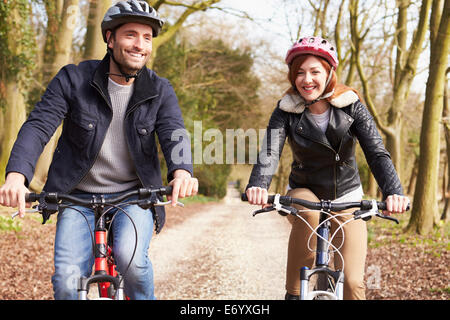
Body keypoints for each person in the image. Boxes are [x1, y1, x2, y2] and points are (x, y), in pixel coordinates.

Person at [0, 0, 197, 300]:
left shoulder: (160, 89)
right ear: (110, 38)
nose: (140, 45)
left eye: (147, 38)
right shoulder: (73, 79)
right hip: (77, 196)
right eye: (131, 35)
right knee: (67, 281)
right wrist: (16, 176)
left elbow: (174, 133)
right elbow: (39, 126)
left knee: (133, 264)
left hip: (135, 196)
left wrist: (182, 172)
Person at [245, 36, 409, 300]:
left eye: (314, 72)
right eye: (299, 72)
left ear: (330, 72)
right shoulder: (286, 110)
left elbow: (376, 153)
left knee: (353, 283)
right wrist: (258, 185)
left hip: (346, 195)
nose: (306, 79)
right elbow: (270, 151)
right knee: (308, 218)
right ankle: (295, 293)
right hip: (304, 190)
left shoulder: (352, 105)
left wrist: (394, 192)